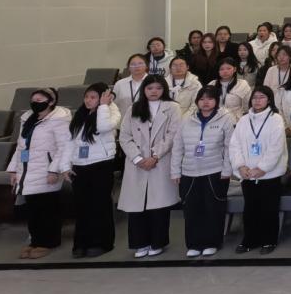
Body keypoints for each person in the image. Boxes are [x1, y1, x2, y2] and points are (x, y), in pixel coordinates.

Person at [118, 74, 180, 257]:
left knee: (158, 205)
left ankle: (157, 242)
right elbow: (124, 136)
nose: (154, 91)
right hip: (137, 163)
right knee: (137, 205)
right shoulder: (134, 108)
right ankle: (140, 243)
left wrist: (155, 156)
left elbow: (172, 135)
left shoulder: (173, 107)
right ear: (143, 90)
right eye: (150, 88)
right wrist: (137, 158)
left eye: (158, 88)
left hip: (160, 161)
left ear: (164, 90)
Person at [170, 85, 234, 257]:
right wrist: (175, 171)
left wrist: (227, 170)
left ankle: (212, 242)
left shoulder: (226, 118)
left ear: (217, 101)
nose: (206, 102)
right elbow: (177, 146)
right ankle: (194, 243)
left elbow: (229, 147)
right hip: (189, 171)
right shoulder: (186, 118)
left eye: (210, 98)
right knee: (191, 209)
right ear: (197, 101)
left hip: (215, 170)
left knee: (213, 209)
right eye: (202, 99)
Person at [8, 87, 71, 259]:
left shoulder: (59, 119)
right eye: (33, 100)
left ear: (50, 102)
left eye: (39, 100)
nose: (35, 103)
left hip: (47, 170)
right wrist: (14, 169)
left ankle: (48, 242)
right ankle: (35, 240)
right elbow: (21, 147)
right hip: (27, 170)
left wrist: (54, 170)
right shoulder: (27, 119)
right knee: (33, 210)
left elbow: (64, 147)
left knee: (47, 209)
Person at [230, 86, 287, 255]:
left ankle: (269, 241)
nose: (257, 100)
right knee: (250, 209)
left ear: (269, 100)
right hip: (247, 173)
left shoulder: (276, 119)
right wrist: (241, 166)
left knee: (269, 209)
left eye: (262, 97)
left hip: (269, 174)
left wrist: (262, 168)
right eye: (254, 97)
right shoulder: (243, 120)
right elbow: (234, 145)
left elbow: (276, 147)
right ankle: (250, 240)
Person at [66, 83, 119, 258]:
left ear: (105, 97)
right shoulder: (80, 115)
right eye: (87, 97)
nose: (88, 100)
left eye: (93, 97)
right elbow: (70, 142)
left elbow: (103, 127)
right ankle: (81, 243)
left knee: (100, 205)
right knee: (81, 207)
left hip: (101, 164)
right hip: (79, 166)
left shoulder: (112, 111)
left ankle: (102, 243)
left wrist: (103, 106)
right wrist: (65, 166)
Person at [111, 53, 150, 123]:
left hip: (147, 122)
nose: (137, 66)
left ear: (146, 66)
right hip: (124, 122)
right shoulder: (120, 84)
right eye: (133, 64)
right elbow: (114, 105)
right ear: (128, 67)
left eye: (140, 63)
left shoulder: (154, 82)